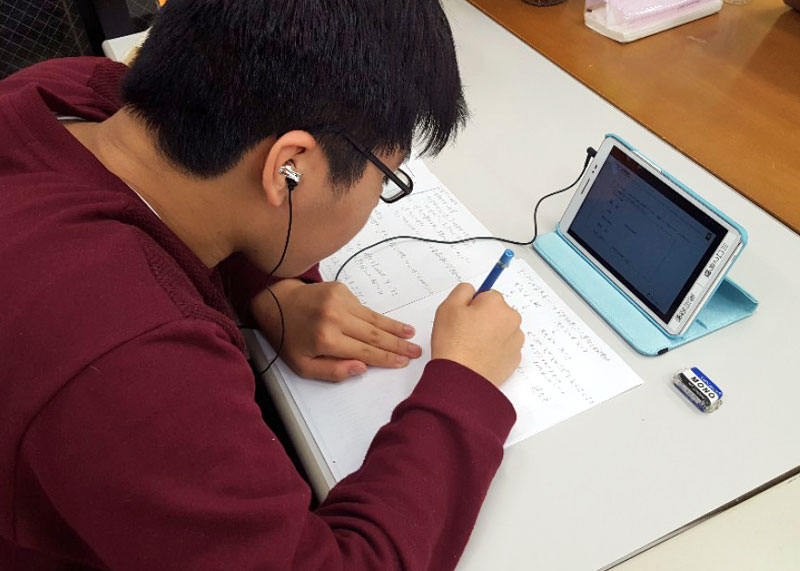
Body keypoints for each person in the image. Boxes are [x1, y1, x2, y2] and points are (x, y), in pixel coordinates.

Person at [0, 1, 524, 569]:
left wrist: (268, 292)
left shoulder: (65, 91)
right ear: (288, 168)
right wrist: (465, 386)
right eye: (386, 179)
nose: (378, 198)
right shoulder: (131, 356)